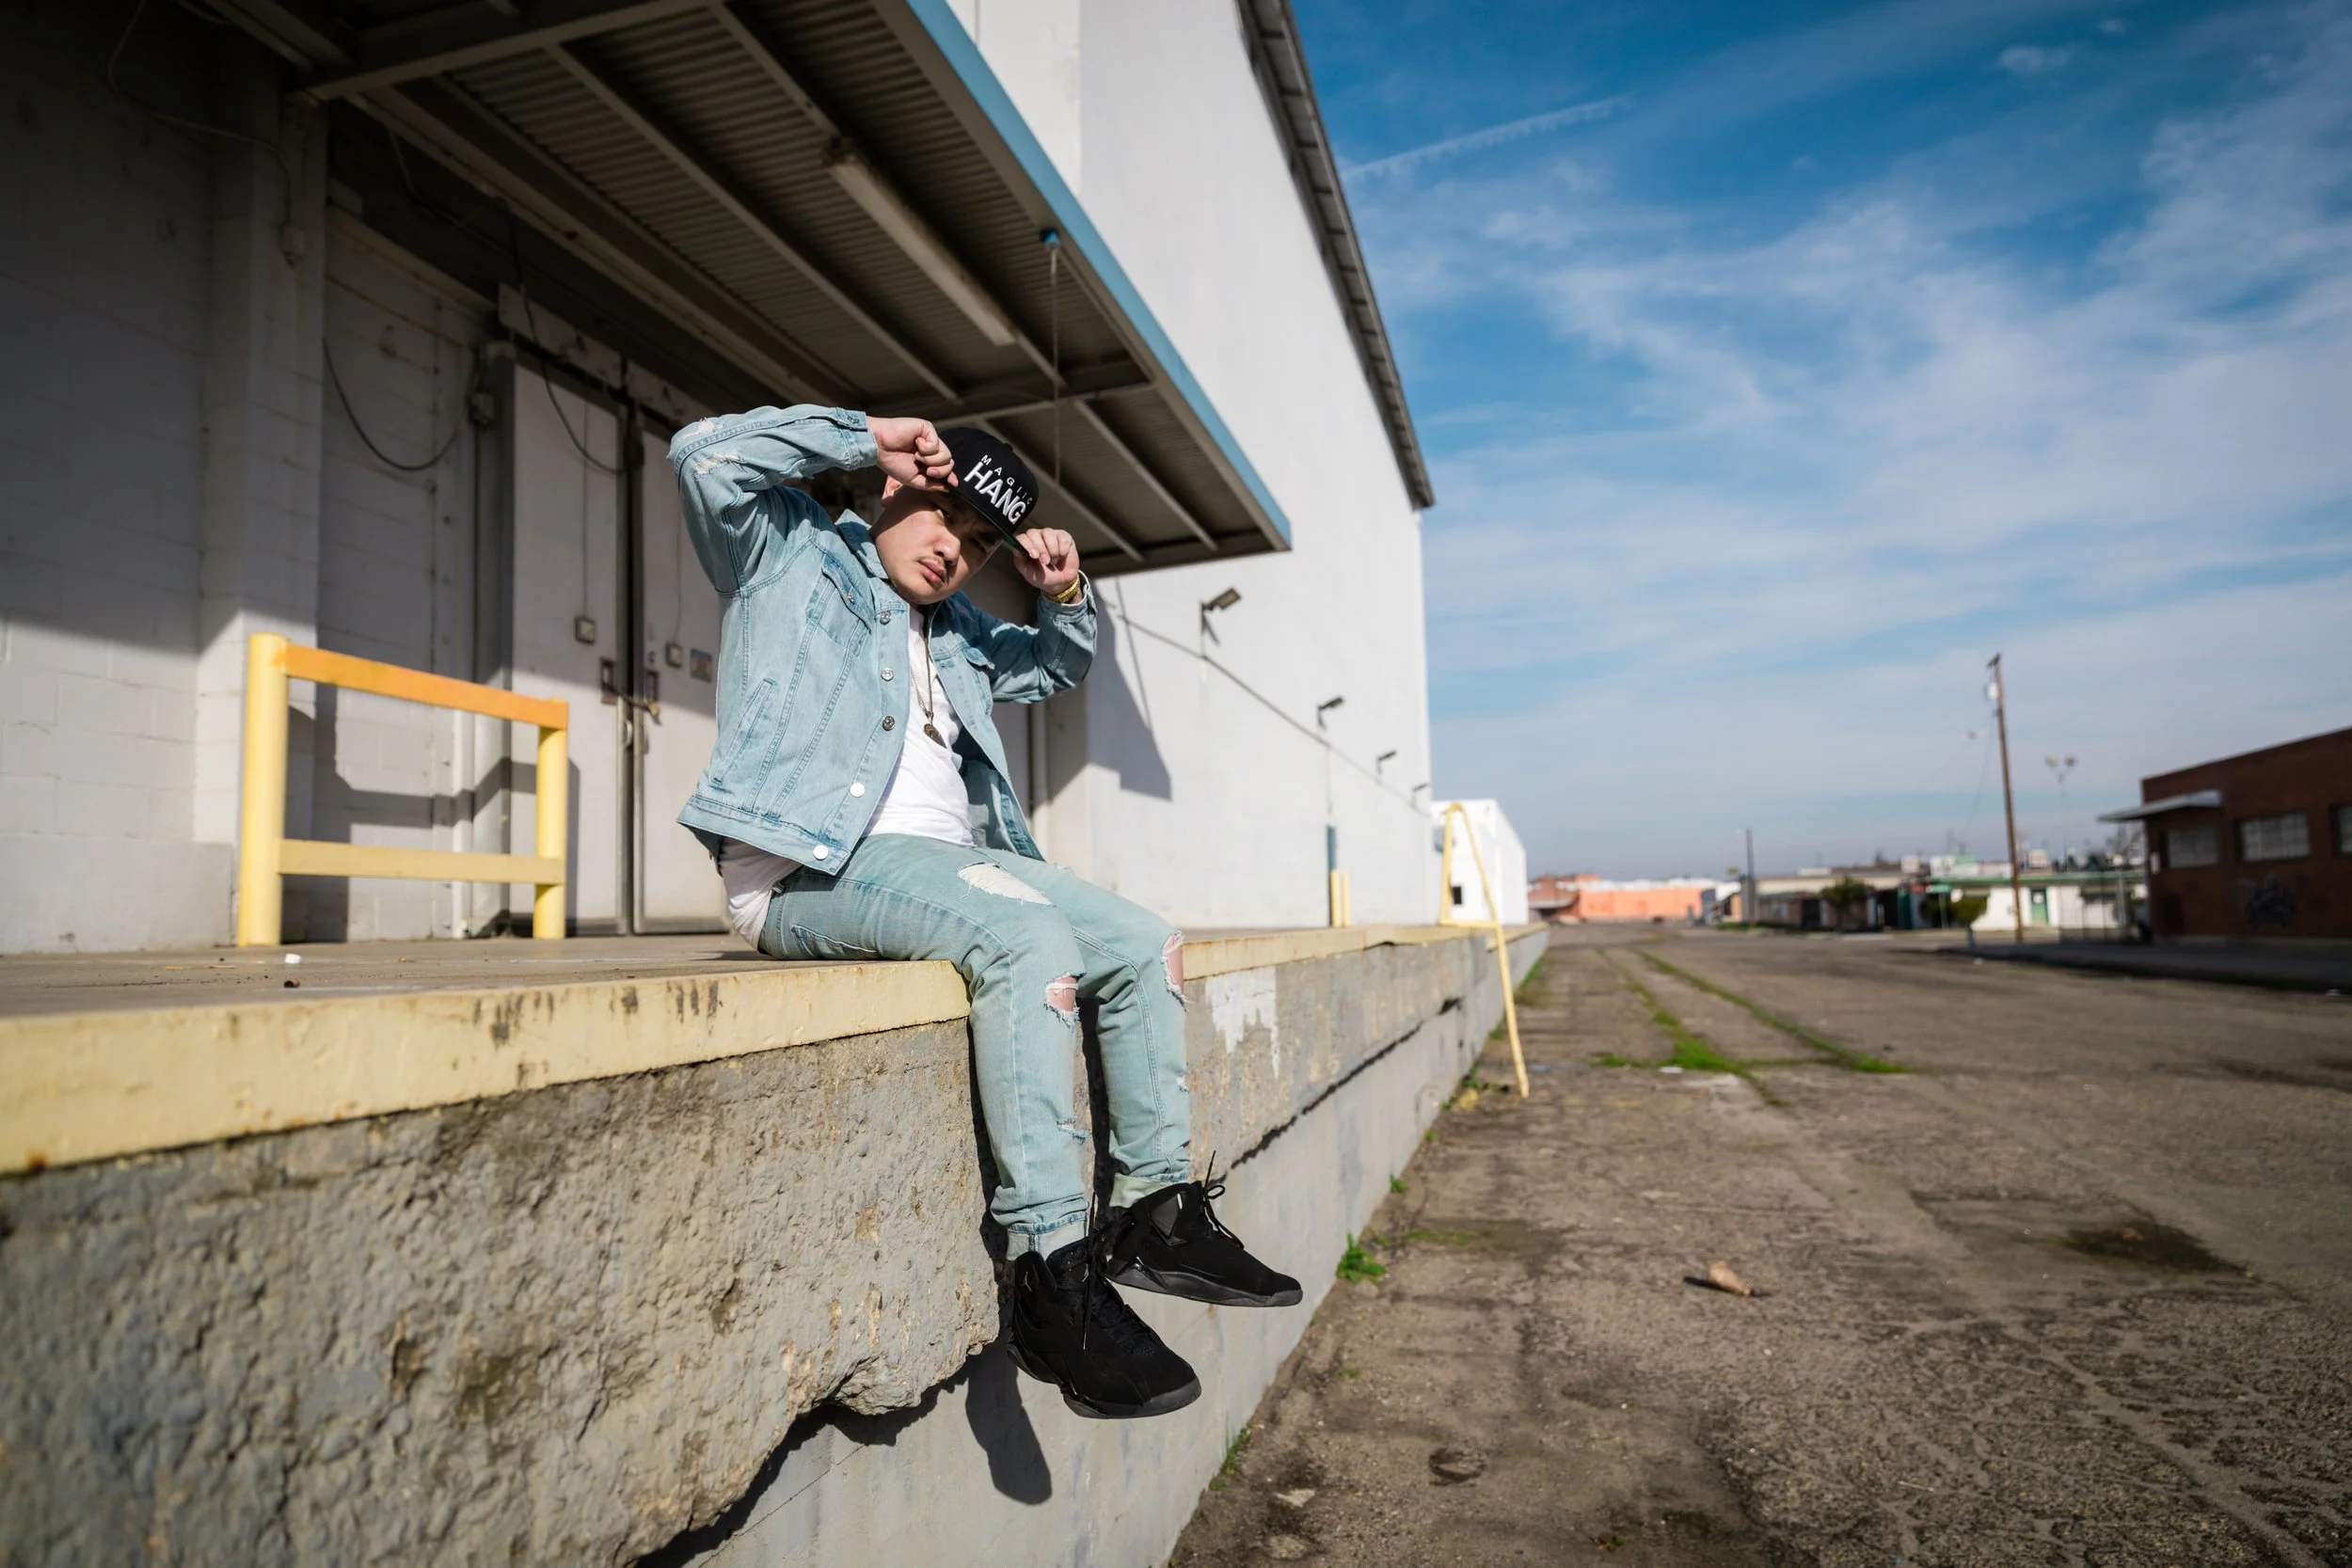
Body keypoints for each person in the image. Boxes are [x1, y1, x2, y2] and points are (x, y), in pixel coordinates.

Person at [670, 404, 1299, 1419]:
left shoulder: (958, 631)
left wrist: (1065, 593)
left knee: (1146, 944)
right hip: (806, 868)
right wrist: (859, 434)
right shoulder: (787, 551)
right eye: (938, 519)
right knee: (1026, 935)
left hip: (943, 862)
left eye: (974, 544)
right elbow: (703, 456)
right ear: (890, 489)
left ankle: (1154, 1213)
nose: (951, 552)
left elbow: (1052, 665)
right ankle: (1053, 1273)